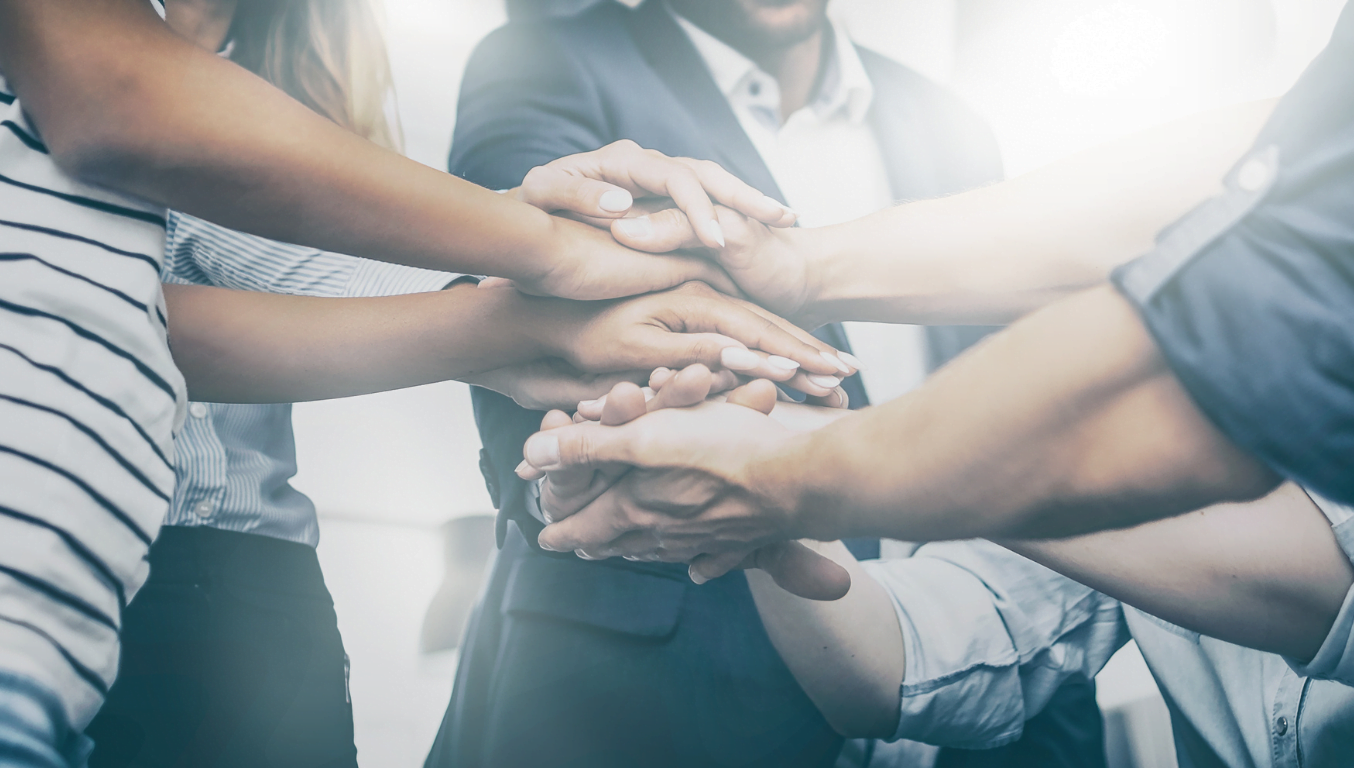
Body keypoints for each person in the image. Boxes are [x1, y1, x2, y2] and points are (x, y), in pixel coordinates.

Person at [0, 1, 844, 766]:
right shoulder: (84, 56)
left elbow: (183, 294)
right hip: (58, 546)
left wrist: (532, 307)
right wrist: (543, 254)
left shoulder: (302, 58)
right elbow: (125, 119)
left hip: (226, 581)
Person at [430, 0, 1103, 765]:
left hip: (990, 667)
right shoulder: (546, 58)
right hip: (668, 684)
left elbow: (1034, 369)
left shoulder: (951, 122)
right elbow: (531, 302)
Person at [519, 0, 1354, 568]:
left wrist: (793, 472)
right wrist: (803, 266)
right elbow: (1250, 184)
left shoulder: (945, 115)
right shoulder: (560, 60)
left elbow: (1217, 344)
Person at [541, 370, 1354, 767]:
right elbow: (898, 670)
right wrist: (770, 512)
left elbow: (1319, 589)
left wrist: (818, 457)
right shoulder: (1173, 404)